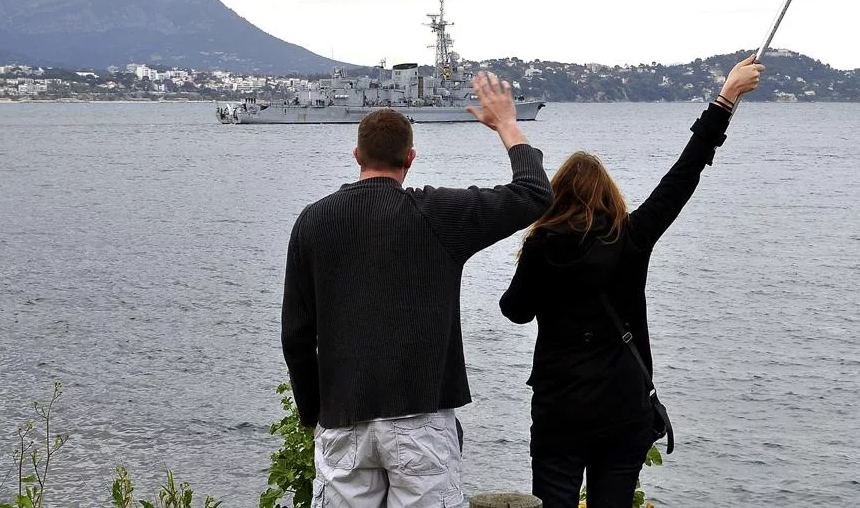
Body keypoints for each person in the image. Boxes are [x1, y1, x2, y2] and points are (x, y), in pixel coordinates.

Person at [499, 54, 764, 508]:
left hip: (561, 408)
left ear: (556, 197)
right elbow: (684, 174)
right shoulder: (632, 237)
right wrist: (726, 98)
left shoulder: (543, 246)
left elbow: (515, 311)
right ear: (609, 195)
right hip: (623, 406)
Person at [282, 72, 553, 508]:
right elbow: (534, 193)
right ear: (410, 157)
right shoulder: (437, 214)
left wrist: (314, 413)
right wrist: (507, 124)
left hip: (342, 415)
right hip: (420, 416)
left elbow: (296, 335)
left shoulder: (313, 221)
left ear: (357, 155)